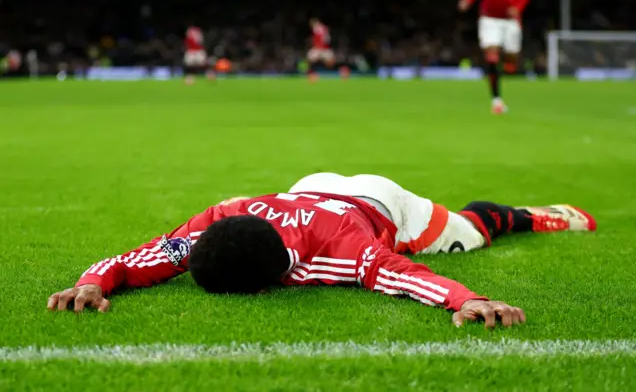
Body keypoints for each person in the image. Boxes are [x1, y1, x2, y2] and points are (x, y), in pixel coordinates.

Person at [47, 173, 595, 328]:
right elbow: (143, 256)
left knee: (469, 233)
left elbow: (403, 273)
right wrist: (94, 280)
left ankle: (526, 215)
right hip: (312, 185)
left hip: (384, 202)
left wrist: (467, 299)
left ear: (271, 284)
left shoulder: (340, 251)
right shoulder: (216, 223)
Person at [458, 0, 533, 114]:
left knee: (511, 58)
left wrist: (518, 7)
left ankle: (507, 68)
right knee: (491, 55)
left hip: (510, 19)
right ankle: (497, 101)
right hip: (489, 18)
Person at [307, 18, 335, 82]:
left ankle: (313, 74)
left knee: (330, 62)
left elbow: (325, 39)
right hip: (321, 48)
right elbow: (327, 39)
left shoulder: (317, 28)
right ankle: (312, 74)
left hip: (321, 48)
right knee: (310, 59)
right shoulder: (323, 28)